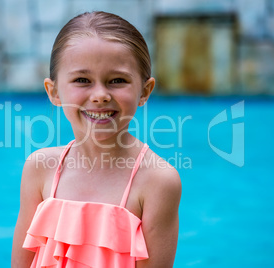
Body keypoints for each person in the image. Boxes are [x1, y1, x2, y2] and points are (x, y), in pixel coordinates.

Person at [12, 11, 181, 268]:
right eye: (82, 80)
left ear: (145, 91)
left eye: (117, 80)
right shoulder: (39, 168)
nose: (100, 95)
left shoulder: (158, 181)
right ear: (54, 91)